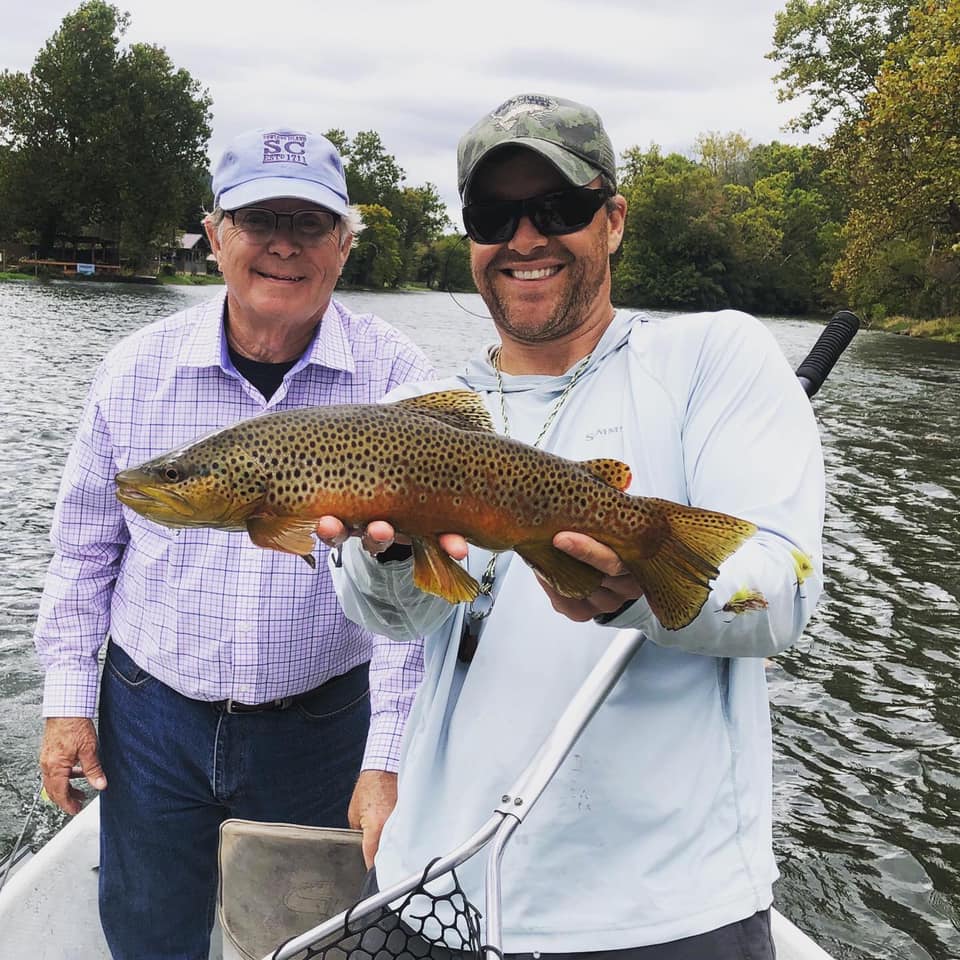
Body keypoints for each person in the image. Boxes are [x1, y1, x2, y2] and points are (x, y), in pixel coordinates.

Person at [320, 93, 825, 958]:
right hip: (434, 882)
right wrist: (392, 559)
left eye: (558, 208)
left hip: (660, 913)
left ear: (614, 218)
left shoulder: (713, 358)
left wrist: (642, 592)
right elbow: (395, 621)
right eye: (495, 214)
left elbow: (782, 602)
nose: (524, 238)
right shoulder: (417, 413)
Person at [33, 126, 433, 959]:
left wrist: (386, 755)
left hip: (325, 727)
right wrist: (70, 702)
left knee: (306, 939)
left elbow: (421, 604)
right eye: (258, 221)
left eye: (311, 223)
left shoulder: (404, 381)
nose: (284, 245)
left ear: (345, 245)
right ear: (214, 236)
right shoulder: (133, 368)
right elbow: (82, 551)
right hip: (149, 718)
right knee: (147, 929)